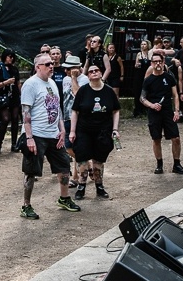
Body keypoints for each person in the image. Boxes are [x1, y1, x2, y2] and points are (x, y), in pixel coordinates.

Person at [18, 52, 79, 219]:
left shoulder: (52, 83)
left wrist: (62, 130)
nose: (51, 66)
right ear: (38, 67)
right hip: (36, 134)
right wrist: (29, 138)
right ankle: (26, 206)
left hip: (54, 134)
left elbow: (57, 108)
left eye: (52, 63)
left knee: (64, 167)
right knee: (31, 171)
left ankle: (64, 198)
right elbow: (26, 113)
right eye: (47, 64)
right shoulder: (30, 84)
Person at [69, 62, 120, 201]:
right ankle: (81, 187)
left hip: (103, 130)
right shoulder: (83, 91)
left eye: (96, 70)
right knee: (82, 159)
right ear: (88, 76)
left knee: (99, 160)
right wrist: (72, 131)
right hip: (84, 130)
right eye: (91, 71)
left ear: (101, 73)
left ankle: (99, 186)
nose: (94, 72)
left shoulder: (109, 91)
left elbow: (116, 111)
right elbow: (75, 111)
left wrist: (115, 129)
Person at [139, 52, 183, 176]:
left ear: (163, 62)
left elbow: (175, 95)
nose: (158, 64)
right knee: (156, 139)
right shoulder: (148, 80)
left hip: (167, 112)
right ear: (152, 64)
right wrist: (152, 105)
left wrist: (177, 111)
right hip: (154, 113)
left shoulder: (169, 77)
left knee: (176, 138)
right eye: (155, 62)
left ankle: (177, 164)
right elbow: (142, 98)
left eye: (160, 61)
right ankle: (159, 164)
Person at [0, 49, 21, 154]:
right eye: (9, 56)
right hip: (3, 95)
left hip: (14, 95)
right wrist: (5, 82)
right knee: (5, 119)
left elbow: (18, 83)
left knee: (15, 118)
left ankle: (14, 144)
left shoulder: (14, 69)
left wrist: (21, 94)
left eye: (12, 57)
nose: (11, 59)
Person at [133, 38, 152, 117]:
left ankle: (146, 109)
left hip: (148, 74)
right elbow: (135, 64)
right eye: (142, 44)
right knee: (138, 91)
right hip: (139, 75)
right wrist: (137, 65)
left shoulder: (150, 53)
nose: (143, 46)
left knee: (147, 92)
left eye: (144, 44)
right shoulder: (139, 54)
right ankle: (138, 110)